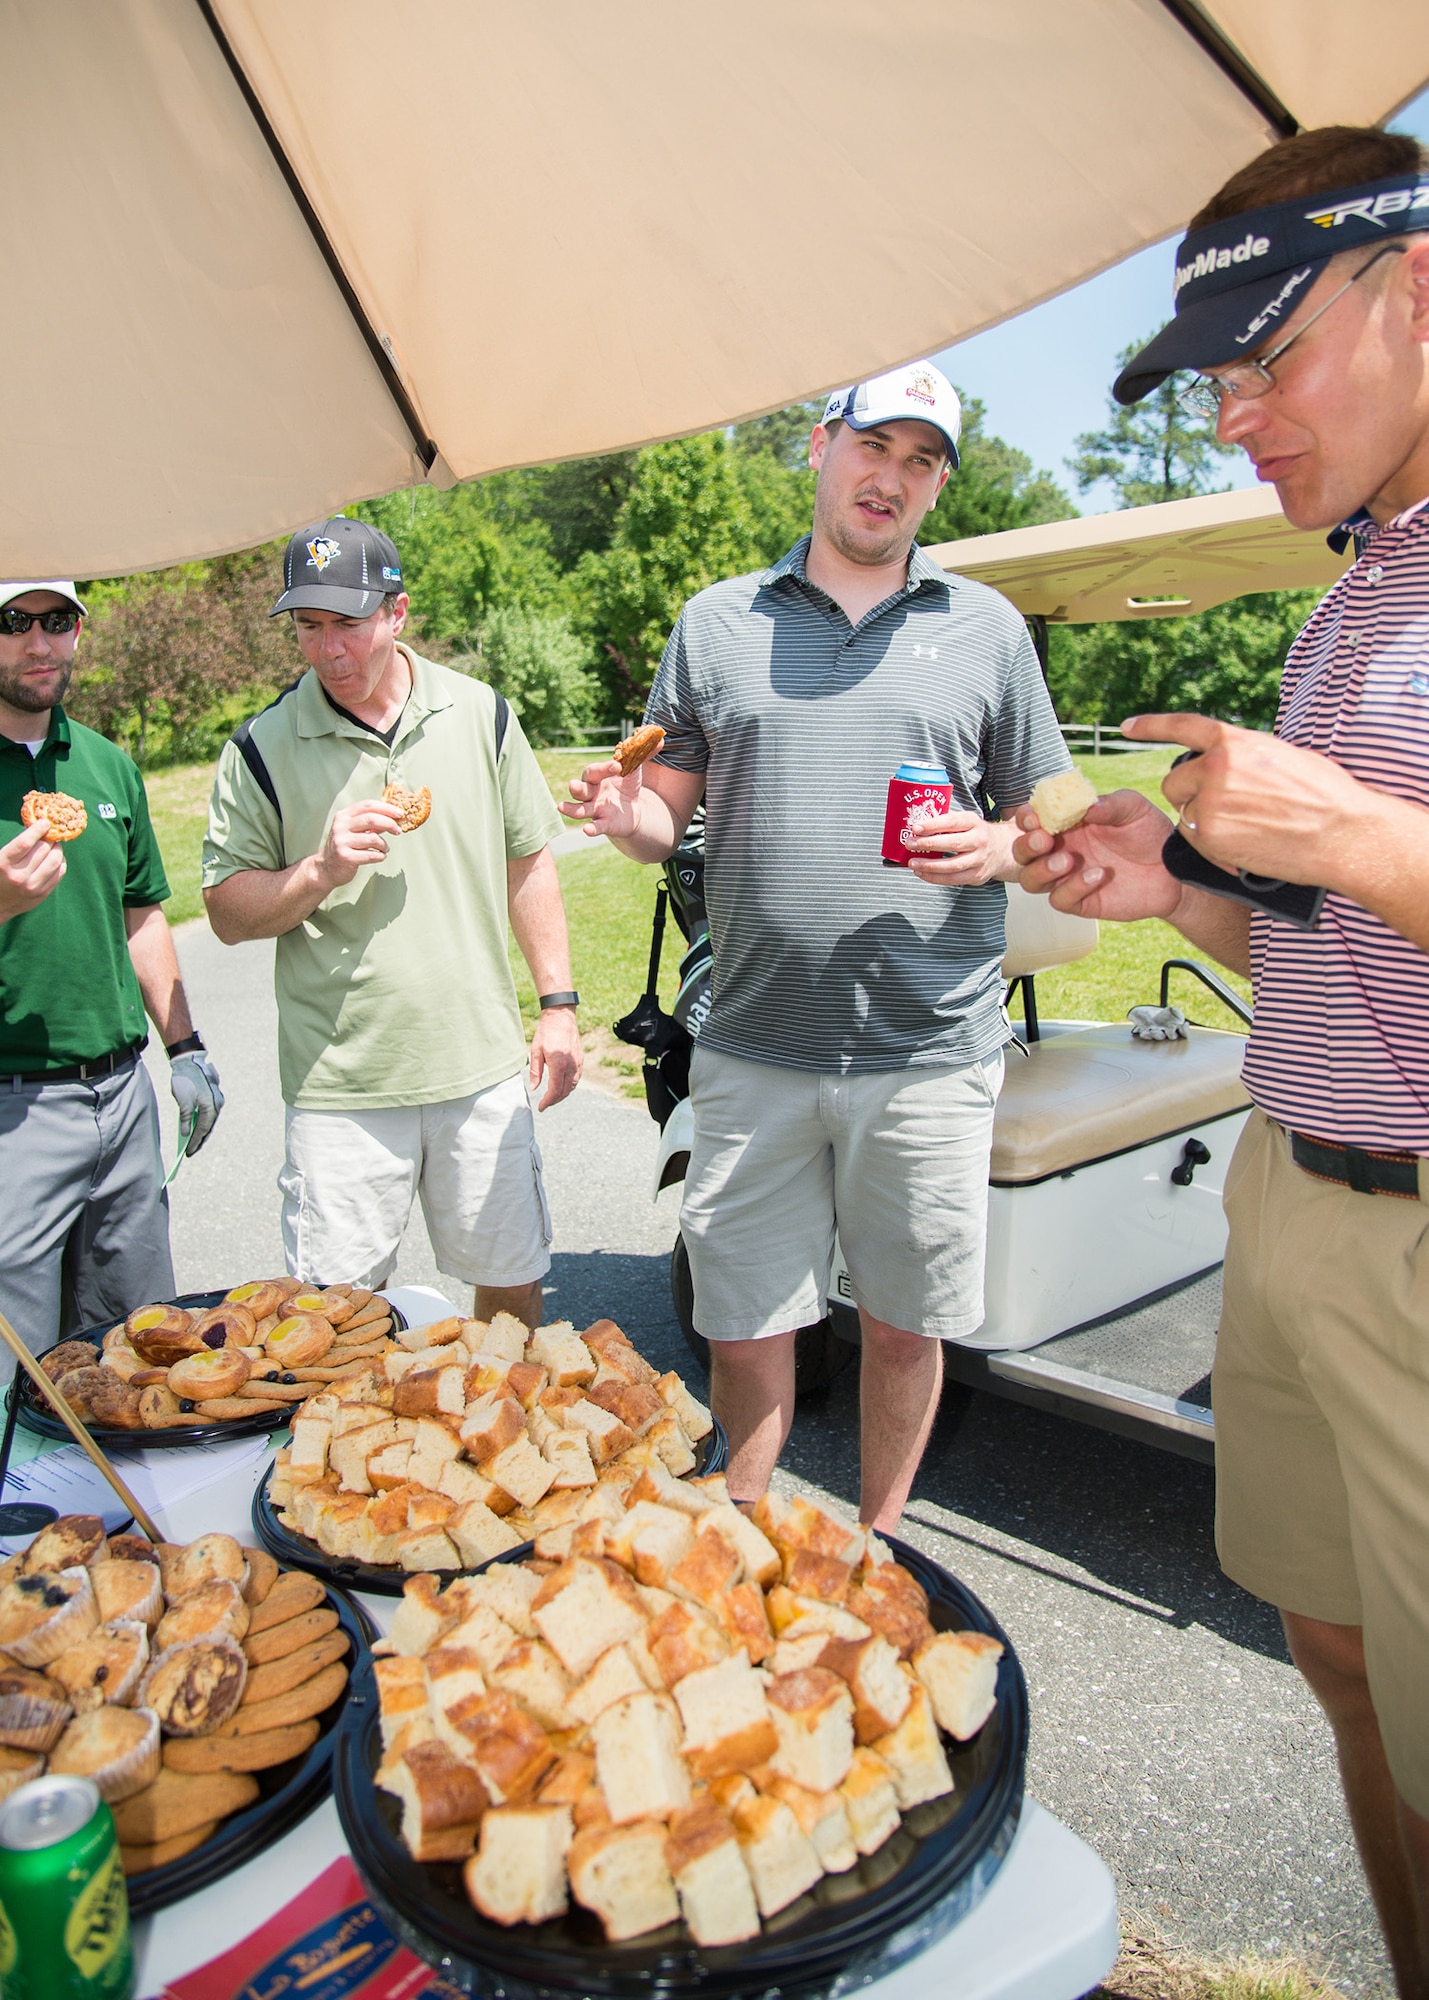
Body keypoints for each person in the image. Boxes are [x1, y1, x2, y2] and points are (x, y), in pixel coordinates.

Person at [1014, 127, 1429, 1997]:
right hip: (1294, 1195)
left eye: (1266, 361)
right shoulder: (1356, 588)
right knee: (1331, 1655)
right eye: (1213, 384)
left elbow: (1370, 875)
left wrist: (1349, 838)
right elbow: (1352, 973)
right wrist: (1180, 896)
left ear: (1412, 290)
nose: (1233, 420)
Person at [564, 361, 1071, 1530]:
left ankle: (881, 1540)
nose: (890, 479)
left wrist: (998, 846)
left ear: (939, 485)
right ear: (819, 444)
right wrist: (620, 813)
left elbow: (1054, 811)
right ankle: (746, 1527)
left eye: (920, 461)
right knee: (746, 1318)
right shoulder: (716, 622)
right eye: (873, 447)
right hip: (750, 1044)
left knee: (903, 1323)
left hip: (928, 1049)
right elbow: (662, 816)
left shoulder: (985, 629)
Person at [202, 517, 581, 1327]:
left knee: (511, 1290)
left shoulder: (480, 713)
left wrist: (558, 1008)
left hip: (479, 1070)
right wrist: (319, 869)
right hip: (342, 1087)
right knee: (334, 1326)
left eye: (348, 623)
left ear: (398, 613)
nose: (329, 650)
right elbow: (225, 912)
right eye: (309, 627)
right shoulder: (261, 745)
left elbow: (528, 863)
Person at [0, 581, 222, 1370]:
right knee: (20, 1363)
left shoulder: (106, 766)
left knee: (141, 1343)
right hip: (14, 1107)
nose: (39, 644)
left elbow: (142, 916)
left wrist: (185, 1048)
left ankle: (134, 1498)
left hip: (122, 1102)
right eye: (14, 623)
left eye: (57, 622)